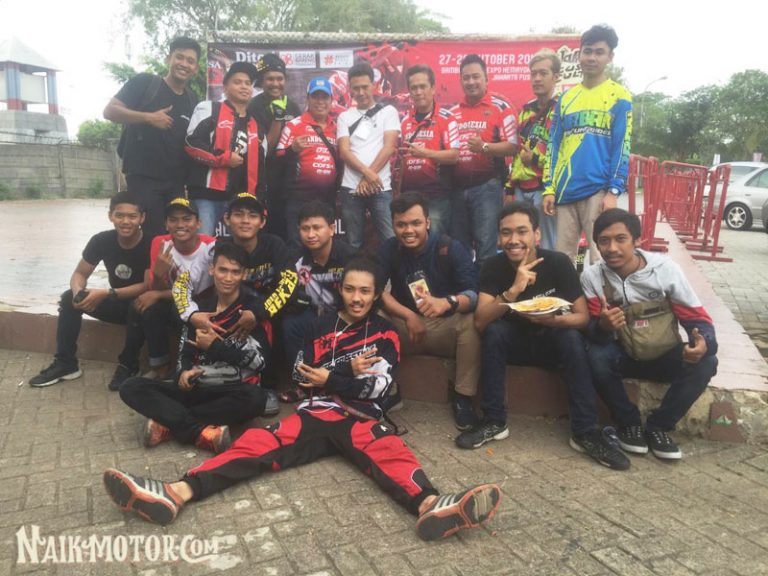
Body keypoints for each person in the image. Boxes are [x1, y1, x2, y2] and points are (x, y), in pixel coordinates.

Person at [103, 258, 502, 541]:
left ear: (376, 294)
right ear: (341, 289)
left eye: (365, 291)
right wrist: (343, 371)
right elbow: (298, 374)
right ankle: (175, 493)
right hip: (316, 413)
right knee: (257, 443)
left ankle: (431, 505)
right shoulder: (319, 325)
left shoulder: (385, 334)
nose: (357, 298)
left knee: (390, 451)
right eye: (350, 289)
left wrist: (329, 377)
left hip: (361, 417)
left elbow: (378, 388)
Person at [454, 202, 629, 470]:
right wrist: (513, 290)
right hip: (514, 344)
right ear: (499, 237)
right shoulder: (493, 265)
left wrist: (553, 320)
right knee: (494, 331)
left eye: (522, 231)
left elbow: (582, 317)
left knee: (571, 338)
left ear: (536, 234)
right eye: (506, 233)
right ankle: (494, 421)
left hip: (551, 341)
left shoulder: (557, 263)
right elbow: (480, 321)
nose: (513, 240)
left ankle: (585, 431)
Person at [581, 209, 718, 460]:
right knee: (595, 356)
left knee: (707, 361)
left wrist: (703, 342)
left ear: (637, 240)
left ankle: (659, 428)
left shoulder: (665, 270)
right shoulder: (591, 277)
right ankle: (628, 423)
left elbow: (697, 319)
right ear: (597, 245)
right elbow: (590, 331)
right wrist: (602, 327)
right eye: (604, 241)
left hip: (664, 354)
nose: (612, 248)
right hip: (623, 356)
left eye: (621, 239)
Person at [120, 242, 270, 454]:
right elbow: (185, 351)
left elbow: (260, 363)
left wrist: (215, 346)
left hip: (231, 391)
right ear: (212, 269)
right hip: (196, 387)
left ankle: (169, 424)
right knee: (131, 387)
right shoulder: (199, 309)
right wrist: (183, 372)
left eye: (235, 272)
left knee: (256, 399)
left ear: (244, 274)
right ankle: (202, 431)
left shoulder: (251, 312)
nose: (228, 278)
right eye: (223, 270)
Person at [174, 193, 298, 415]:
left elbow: (289, 282)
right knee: (182, 315)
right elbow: (182, 283)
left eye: (252, 215)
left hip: (266, 310)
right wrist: (191, 315)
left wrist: (258, 312)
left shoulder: (274, 245)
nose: (245, 220)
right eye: (238, 214)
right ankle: (190, 373)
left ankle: (268, 385)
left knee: (280, 322)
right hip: (230, 309)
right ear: (226, 219)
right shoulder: (215, 248)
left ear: (262, 222)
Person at [378, 193, 482, 430]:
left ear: (427, 222)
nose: (408, 230)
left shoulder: (450, 248)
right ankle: (388, 391)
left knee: (472, 320)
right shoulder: (389, 248)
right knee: (373, 316)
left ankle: (463, 398)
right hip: (407, 327)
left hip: (445, 326)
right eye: (401, 224)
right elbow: (376, 291)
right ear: (393, 225)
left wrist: (447, 303)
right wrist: (408, 315)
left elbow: (474, 295)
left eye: (415, 223)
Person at [28, 192, 150, 390]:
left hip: (141, 307)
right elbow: (79, 273)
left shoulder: (151, 243)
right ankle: (66, 363)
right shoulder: (101, 240)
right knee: (68, 298)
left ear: (142, 218)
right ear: (110, 216)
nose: (125, 221)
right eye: (119, 215)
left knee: (138, 306)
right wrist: (78, 292)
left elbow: (147, 285)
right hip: (114, 302)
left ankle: (128, 365)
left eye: (132, 216)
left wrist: (107, 293)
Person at [543, 25, 633, 265]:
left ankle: (598, 293)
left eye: (599, 52)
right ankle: (567, 293)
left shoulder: (620, 96)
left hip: (598, 191)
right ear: (579, 54)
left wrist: (614, 191)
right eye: (587, 51)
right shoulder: (565, 98)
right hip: (565, 190)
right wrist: (549, 188)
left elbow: (622, 147)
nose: (592, 57)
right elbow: (553, 145)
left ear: (610, 57)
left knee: (600, 258)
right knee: (562, 260)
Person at [104, 37, 201, 237]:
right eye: (179, 57)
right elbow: (110, 111)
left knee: (178, 234)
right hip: (143, 178)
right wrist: (148, 117)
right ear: (168, 59)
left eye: (190, 61)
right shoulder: (145, 83)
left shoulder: (192, 99)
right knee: (152, 234)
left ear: (196, 68)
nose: (184, 64)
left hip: (175, 182)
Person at [128, 197, 215, 384]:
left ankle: (188, 369)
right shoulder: (161, 243)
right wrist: (158, 274)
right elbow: (155, 289)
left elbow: (198, 291)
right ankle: (158, 366)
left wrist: (159, 293)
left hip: (204, 302)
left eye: (187, 219)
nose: (180, 225)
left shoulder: (210, 246)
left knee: (177, 309)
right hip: (174, 300)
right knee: (145, 307)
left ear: (198, 223)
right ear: (166, 224)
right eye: (173, 220)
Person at [280, 200, 357, 401]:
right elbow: (283, 292)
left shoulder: (349, 256)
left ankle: (340, 383)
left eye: (317, 227)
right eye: (305, 228)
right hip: (312, 315)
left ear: (331, 229)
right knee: (291, 324)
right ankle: (302, 384)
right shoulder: (294, 258)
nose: (311, 234)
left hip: (345, 315)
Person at [450, 54, 518, 265]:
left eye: (476, 76)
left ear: (486, 79)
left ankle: (486, 287)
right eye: (466, 77)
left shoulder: (501, 107)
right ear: (460, 81)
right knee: (458, 249)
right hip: (456, 190)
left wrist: (485, 147)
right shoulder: (452, 112)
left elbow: (513, 146)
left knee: (486, 248)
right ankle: (465, 287)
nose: (471, 82)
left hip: (487, 188)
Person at [185, 61, 263, 236]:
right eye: (237, 82)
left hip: (239, 201)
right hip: (205, 196)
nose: (244, 86)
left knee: (241, 248)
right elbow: (191, 144)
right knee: (203, 245)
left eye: (248, 83)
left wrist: (259, 201)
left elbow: (261, 168)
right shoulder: (209, 108)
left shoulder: (256, 124)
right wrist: (224, 158)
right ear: (225, 87)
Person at [337, 62, 400, 249]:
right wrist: (368, 174)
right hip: (351, 189)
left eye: (365, 87)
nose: (361, 92)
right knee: (353, 243)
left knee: (390, 240)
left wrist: (368, 178)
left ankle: (389, 271)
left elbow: (389, 147)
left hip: (380, 187)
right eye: (356, 88)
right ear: (350, 89)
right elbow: (344, 151)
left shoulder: (388, 112)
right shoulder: (344, 117)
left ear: (374, 85)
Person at [275, 77, 339, 247]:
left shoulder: (337, 128)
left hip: (327, 200)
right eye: (315, 97)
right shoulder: (294, 125)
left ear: (331, 100)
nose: (320, 102)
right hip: (298, 200)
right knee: (297, 246)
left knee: (325, 246)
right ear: (307, 99)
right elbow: (277, 160)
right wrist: (292, 149)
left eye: (324, 97)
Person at [507, 49, 560, 250]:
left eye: (543, 73)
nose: (537, 78)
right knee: (522, 242)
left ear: (555, 76)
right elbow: (518, 152)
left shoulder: (562, 109)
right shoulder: (526, 110)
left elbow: (564, 154)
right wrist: (510, 186)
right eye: (533, 73)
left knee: (549, 243)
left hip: (546, 188)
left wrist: (536, 160)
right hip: (522, 188)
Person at [398, 64, 460, 237]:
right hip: (409, 196)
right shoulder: (404, 121)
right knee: (411, 242)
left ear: (432, 88)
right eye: (414, 88)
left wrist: (425, 153)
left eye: (422, 86)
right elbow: (401, 160)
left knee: (436, 242)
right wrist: (398, 192)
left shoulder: (447, 118)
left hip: (436, 196)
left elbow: (454, 156)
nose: (418, 92)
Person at [247, 53, 302, 239]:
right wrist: (278, 118)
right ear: (262, 81)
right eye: (270, 79)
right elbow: (265, 150)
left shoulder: (292, 106)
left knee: (290, 234)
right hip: (264, 182)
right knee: (265, 235)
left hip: (290, 183)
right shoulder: (254, 107)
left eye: (279, 78)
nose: (275, 83)